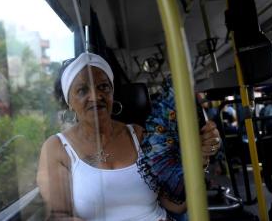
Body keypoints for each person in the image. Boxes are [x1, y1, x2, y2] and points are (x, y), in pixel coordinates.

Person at [36, 52, 221, 221]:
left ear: (112, 93)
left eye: (103, 87)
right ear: (69, 102)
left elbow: (176, 204)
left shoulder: (139, 136)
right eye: (82, 90)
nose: (96, 96)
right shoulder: (57, 148)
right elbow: (60, 217)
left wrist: (200, 157)